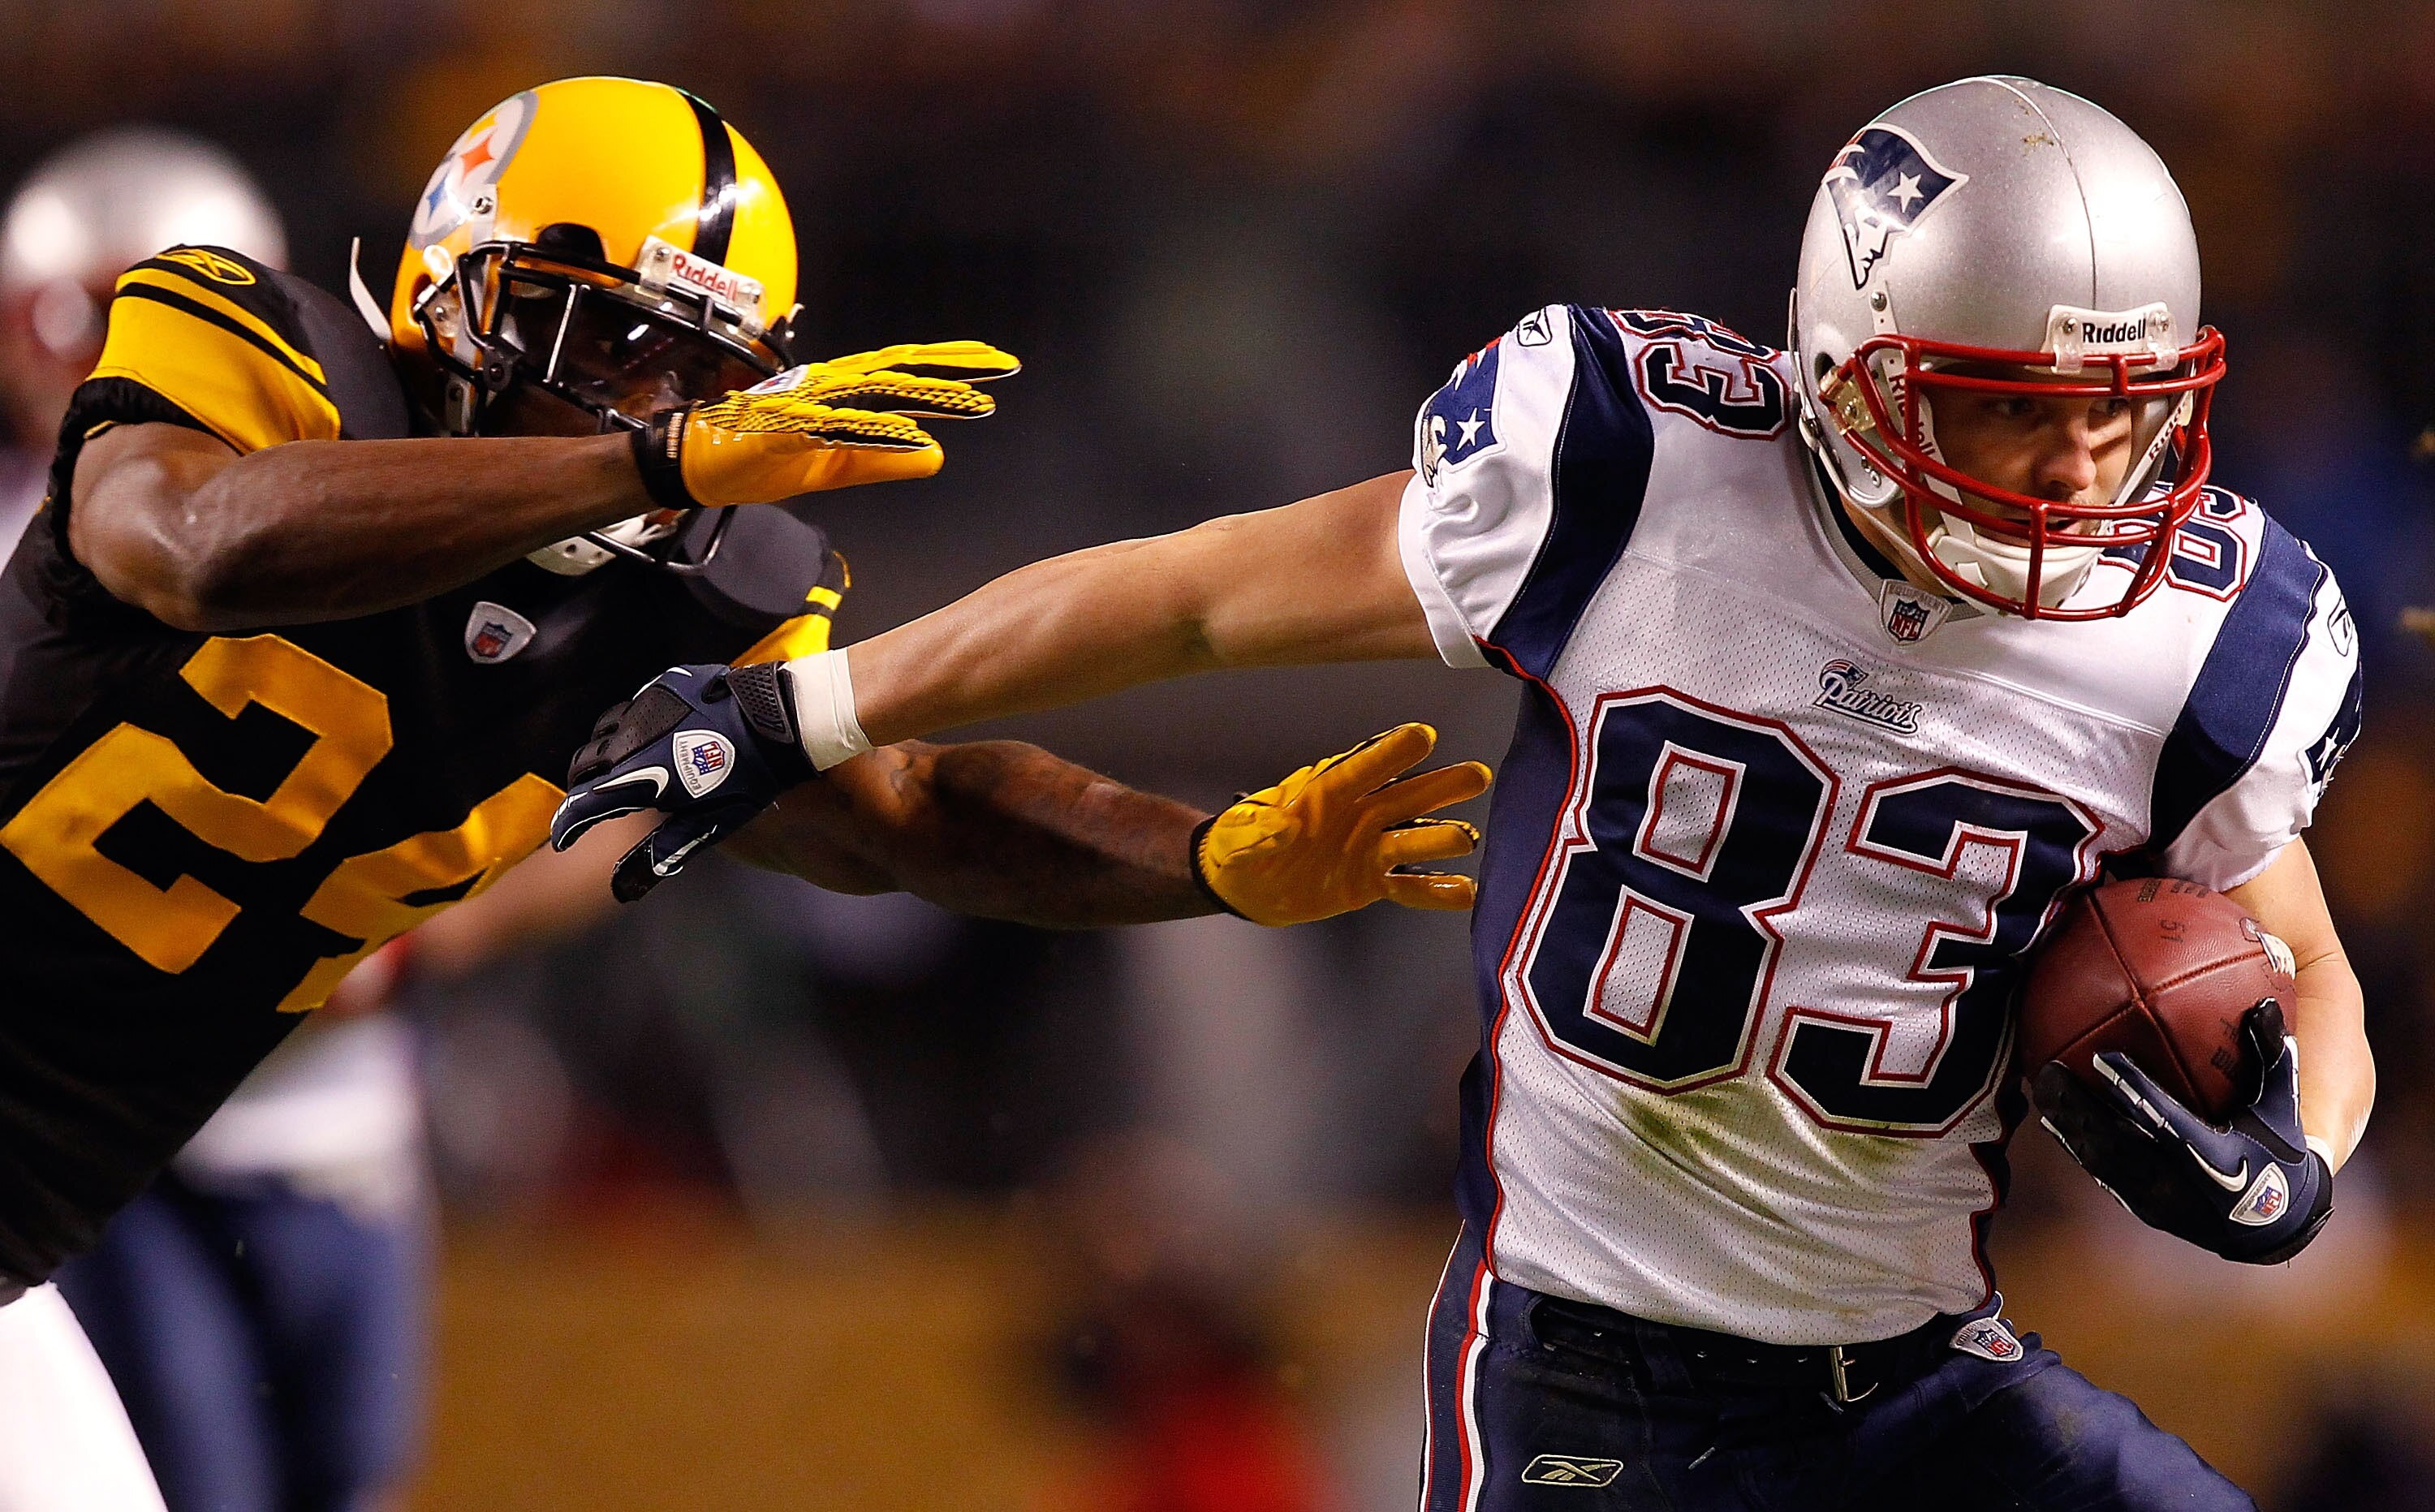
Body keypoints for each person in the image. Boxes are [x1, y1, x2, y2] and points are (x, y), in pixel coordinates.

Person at [568, 76, 2373, 1508]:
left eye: (2121, 412)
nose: (2075, 472)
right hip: (1596, 1382)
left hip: (1920, 1376)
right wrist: (811, 702)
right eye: (2005, 410)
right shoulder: (1630, 468)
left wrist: (2297, 1165)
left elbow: (2304, 962)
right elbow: (1194, 594)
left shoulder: (2209, 633)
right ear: (1849, 365)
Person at [0, 75, 1486, 1511]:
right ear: (452, 292)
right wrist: (637, 460)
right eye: (598, 343)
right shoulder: (266, 343)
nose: (642, 412)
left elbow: (897, 807)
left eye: (693, 375)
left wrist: (1203, 862)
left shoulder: (685, 604)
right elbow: (187, 543)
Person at [0, 125, 437, 1512]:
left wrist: (415, 934)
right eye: (75, 318)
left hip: (329, 1121)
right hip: (99, 1141)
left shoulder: (377, 521)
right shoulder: (38, 542)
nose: (103, 361)